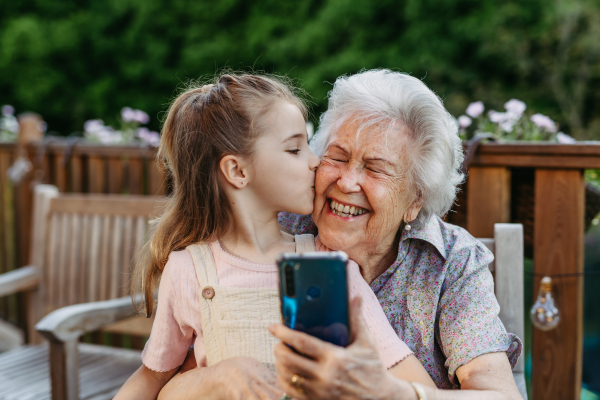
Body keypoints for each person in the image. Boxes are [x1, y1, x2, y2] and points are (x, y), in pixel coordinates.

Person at [158, 70, 523, 400]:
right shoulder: (279, 231)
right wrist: (212, 380)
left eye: (375, 169)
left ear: (415, 200)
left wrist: (393, 393)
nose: (346, 182)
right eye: (337, 156)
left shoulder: (452, 261)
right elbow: (176, 376)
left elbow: (500, 396)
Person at [114, 73, 435, 400]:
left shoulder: (327, 265)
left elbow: (408, 380)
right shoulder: (188, 270)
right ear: (238, 172)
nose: (315, 161)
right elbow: (151, 380)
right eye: (295, 149)